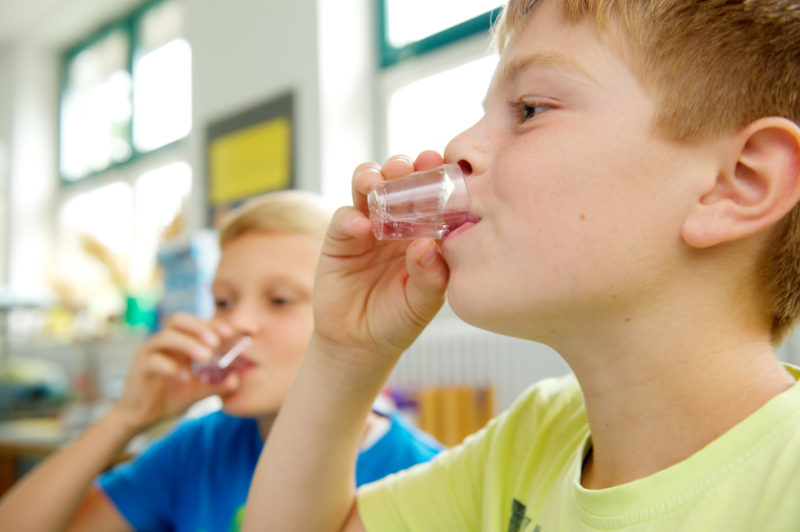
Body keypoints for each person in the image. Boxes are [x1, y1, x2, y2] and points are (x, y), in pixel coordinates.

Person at [242, 1, 800, 530]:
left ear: (740, 183)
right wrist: (347, 352)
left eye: (530, 110)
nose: (459, 144)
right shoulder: (536, 436)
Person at [0, 190, 442, 532]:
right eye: (224, 301)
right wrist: (126, 418)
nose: (237, 323)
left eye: (280, 300)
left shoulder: (425, 477)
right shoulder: (200, 446)